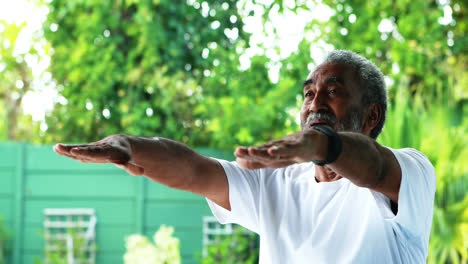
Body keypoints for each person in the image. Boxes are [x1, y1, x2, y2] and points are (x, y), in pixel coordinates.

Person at [54, 50, 436, 263]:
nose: (314, 103)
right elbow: (193, 169)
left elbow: (374, 166)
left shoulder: (410, 171)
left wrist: (323, 145)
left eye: (332, 92)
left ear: (372, 115)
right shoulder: (275, 182)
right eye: (307, 94)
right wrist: (131, 147)